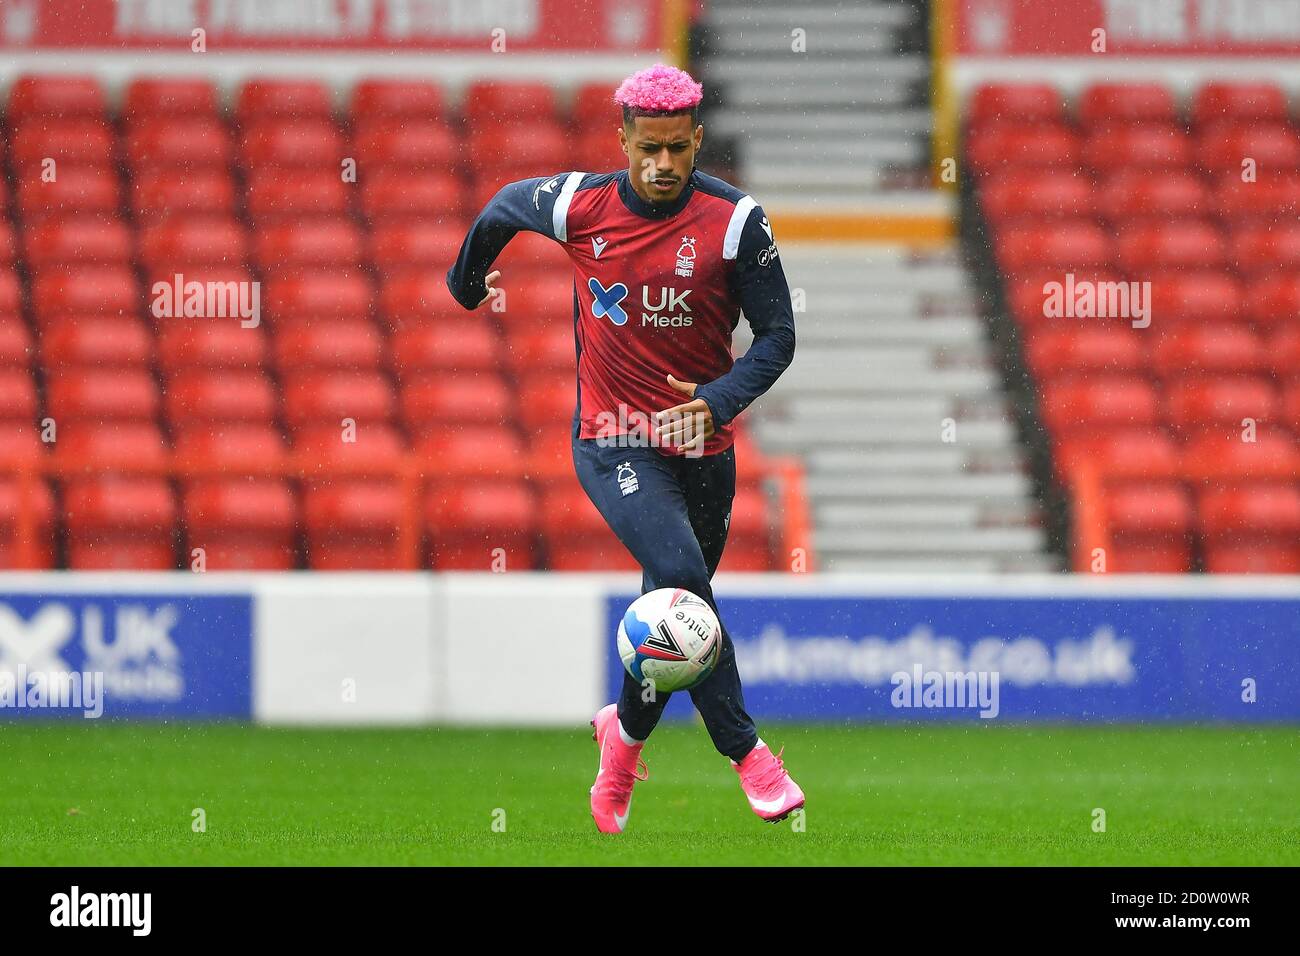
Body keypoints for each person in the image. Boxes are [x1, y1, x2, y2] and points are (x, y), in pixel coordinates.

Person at [446, 63, 801, 833]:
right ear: (625, 139)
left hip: (704, 445)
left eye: (678, 149)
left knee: (674, 620)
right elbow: (507, 205)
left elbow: (779, 336)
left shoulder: (738, 222)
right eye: (649, 149)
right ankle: (749, 756)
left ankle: (622, 744)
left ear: (697, 139)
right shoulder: (583, 205)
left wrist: (715, 402)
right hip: (613, 440)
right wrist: (467, 278)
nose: (663, 165)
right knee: (680, 584)